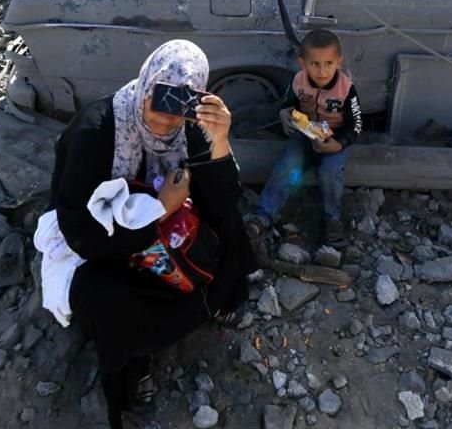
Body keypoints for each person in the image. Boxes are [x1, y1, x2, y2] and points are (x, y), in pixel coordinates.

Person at [33, 40, 257, 429]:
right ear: (147, 82)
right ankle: (134, 363)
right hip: (102, 241)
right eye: (162, 96)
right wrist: (161, 209)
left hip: (163, 227)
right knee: (111, 298)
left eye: (181, 103)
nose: (168, 118)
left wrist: (219, 143)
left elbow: (224, 198)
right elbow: (79, 233)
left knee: (230, 226)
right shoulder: (97, 129)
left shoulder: (190, 127)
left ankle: (212, 300)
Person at [246, 30, 362, 248]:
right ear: (303, 63)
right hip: (304, 133)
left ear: (339, 61)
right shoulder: (299, 81)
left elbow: (356, 124)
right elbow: (289, 103)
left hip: (335, 138)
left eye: (328, 63)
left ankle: (332, 219)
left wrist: (338, 144)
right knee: (288, 166)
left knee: (330, 171)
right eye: (314, 64)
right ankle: (264, 215)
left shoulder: (346, 89)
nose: (321, 70)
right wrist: (284, 114)